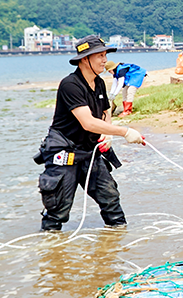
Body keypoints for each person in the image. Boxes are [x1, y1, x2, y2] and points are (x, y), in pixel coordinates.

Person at [34, 35, 146, 231]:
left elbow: (105, 111)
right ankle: (52, 255)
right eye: (99, 56)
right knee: (57, 211)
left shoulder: (100, 82)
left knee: (111, 199)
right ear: (85, 59)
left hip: (90, 151)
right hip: (64, 152)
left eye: (105, 55)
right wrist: (124, 131)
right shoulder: (70, 85)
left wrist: (108, 134)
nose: (104, 60)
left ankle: (116, 244)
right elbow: (87, 122)